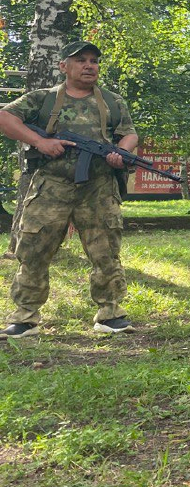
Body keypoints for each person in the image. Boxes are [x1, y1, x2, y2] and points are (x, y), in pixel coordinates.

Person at [0, 41, 138, 338]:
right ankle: (25, 317)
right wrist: (40, 142)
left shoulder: (112, 101)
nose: (90, 66)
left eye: (94, 61)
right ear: (64, 66)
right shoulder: (42, 99)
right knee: (34, 251)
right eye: (81, 61)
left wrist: (120, 153)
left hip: (99, 188)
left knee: (106, 252)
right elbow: (5, 118)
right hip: (51, 187)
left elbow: (129, 134)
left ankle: (110, 313)